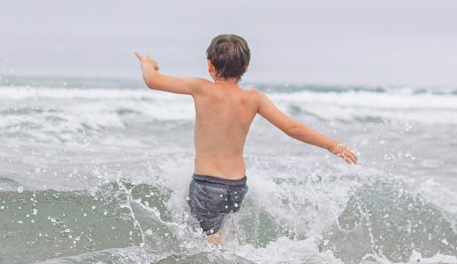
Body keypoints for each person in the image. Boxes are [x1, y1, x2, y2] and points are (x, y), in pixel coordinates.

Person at [135, 34, 357, 244]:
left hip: (207, 185)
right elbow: (292, 128)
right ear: (245, 68)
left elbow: (152, 80)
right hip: (238, 186)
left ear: (210, 65)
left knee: (207, 242)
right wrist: (332, 145)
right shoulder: (254, 99)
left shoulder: (201, 88)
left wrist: (147, 62)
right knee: (224, 234)